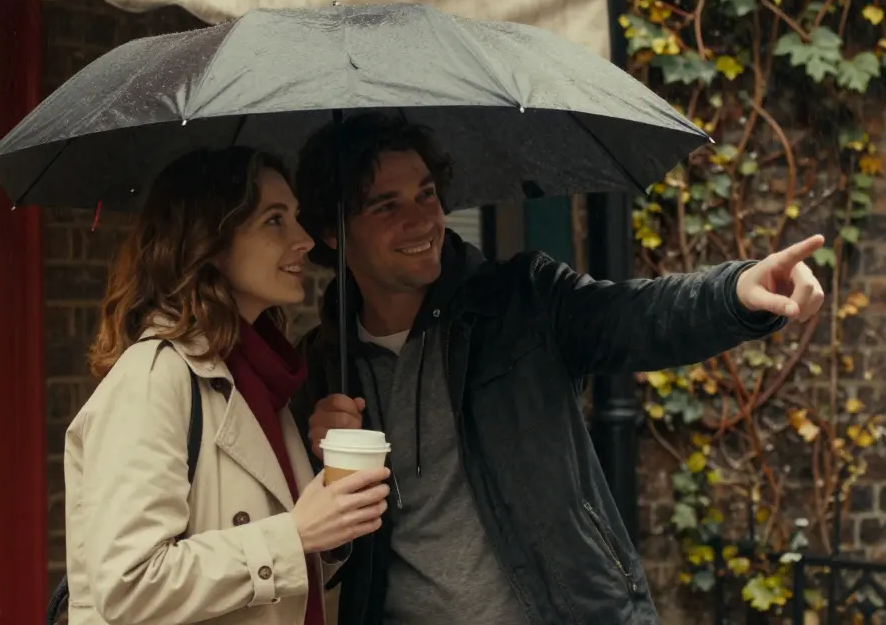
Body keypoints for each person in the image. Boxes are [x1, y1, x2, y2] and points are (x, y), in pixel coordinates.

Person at [288, 113, 826, 625]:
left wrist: (735, 293)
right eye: (385, 206)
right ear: (334, 234)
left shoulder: (522, 303)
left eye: (426, 193)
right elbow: (321, 548)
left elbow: (638, 317)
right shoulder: (321, 369)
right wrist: (325, 468)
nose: (421, 219)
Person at [63, 146, 391, 625]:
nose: (303, 240)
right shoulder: (156, 377)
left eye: (297, 218)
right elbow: (128, 585)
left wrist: (330, 522)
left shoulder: (258, 377)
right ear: (209, 243)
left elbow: (276, 575)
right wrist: (293, 534)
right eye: (274, 221)